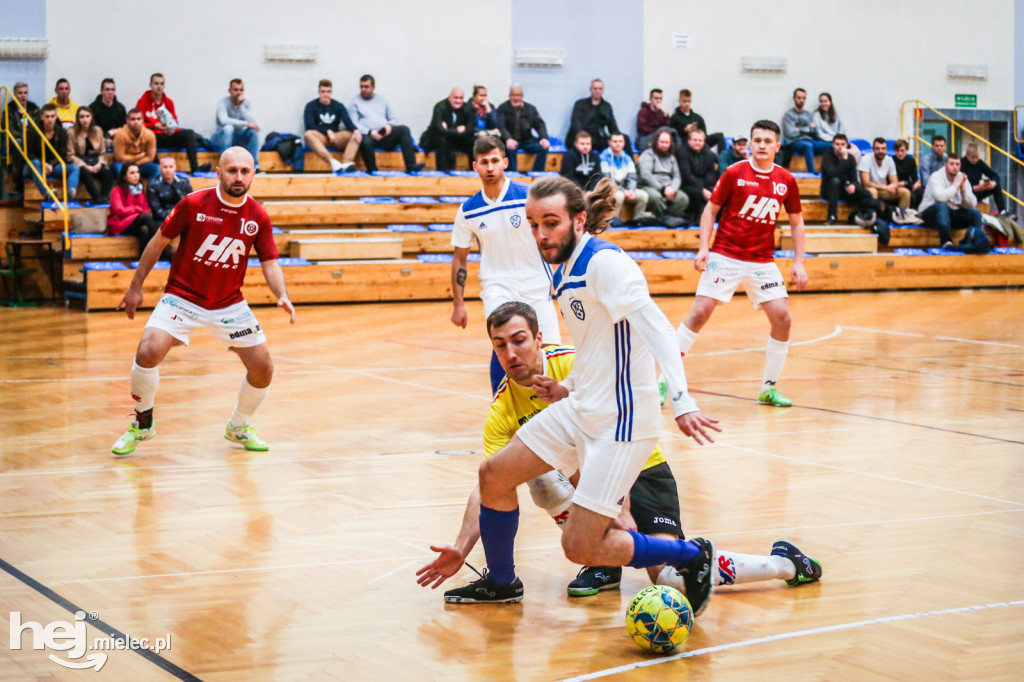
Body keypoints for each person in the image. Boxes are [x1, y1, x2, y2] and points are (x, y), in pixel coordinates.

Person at [442, 176, 720, 613]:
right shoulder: (565, 268)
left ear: (579, 219)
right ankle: (501, 583)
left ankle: (693, 555)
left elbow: (661, 333)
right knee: (494, 475)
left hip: (621, 420)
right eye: (533, 224)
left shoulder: (606, 265)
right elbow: (597, 346)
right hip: (581, 404)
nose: (540, 235)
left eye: (550, 223)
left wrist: (683, 402)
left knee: (581, 547)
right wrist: (567, 386)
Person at [417, 301, 822, 598]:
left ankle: (784, 563)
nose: (510, 353)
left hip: (640, 469)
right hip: (593, 484)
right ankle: (600, 562)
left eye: (519, 340)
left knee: (671, 579)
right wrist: (462, 545)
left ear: (539, 338)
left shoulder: (576, 366)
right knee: (531, 475)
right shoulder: (502, 409)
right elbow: (488, 487)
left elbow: (617, 429)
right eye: (499, 345)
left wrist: (621, 505)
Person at [111, 147, 296, 456]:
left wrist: (283, 295)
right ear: (219, 172)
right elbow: (158, 242)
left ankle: (239, 425)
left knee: (263, 368)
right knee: (147, 352)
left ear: (254, 174)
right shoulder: (193, 203)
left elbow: (270, 263)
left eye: (245, 171)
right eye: (232, 170)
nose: (239, 176)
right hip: (182, 298)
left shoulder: (258, 215)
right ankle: (143, 424)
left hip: (229, 305)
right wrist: (135, 286)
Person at [676, 120, 807, 408]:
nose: (761, 145)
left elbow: (797, 223)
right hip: (726, 254)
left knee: (783, 319)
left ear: (777, 146)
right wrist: (703, 248)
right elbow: (710, 211)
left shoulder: (786, 180)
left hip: (762, 260)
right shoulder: (734, 172)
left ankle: (768, 387)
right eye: (756, 140)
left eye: (767, 140)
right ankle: (667, 383)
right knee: (699, 314)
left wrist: (799, 262)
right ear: (750, 143)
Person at [449, 136, 561, 393]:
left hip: (536, 285)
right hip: (497, 286)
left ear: (505, 162)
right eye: (484, 162)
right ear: (475, 166)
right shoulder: (468, 210)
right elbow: (460, 259)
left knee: (551, 351)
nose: (490, 167)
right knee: (503, 342)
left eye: (495, 161)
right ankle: (501, 406)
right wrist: (458, 304)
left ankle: (553, 411)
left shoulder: (528, 196)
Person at [136, 73, 210, 175]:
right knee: (150, 137)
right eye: (156, 83)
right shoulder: (143, 101)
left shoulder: (168, 102)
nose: (159, 86)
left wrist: (171, 129)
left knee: (190, 134)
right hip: (153, 136)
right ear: (150, 85)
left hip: (167, 135)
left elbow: (174, 121)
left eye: (161, 84)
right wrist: (154, 126)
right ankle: (160, 171)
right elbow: (138, 124)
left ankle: (195, 169)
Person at [347, 74, 424, 173]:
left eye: (366, 87)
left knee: (404, 129)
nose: (363, 89)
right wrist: (370, 132)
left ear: (373, 87)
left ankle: (411, 166)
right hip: (368, 135)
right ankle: (372, 170)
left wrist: (388, 127)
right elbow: (353, 123)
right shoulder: (355, 102)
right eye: (361, 86)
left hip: (384, 134)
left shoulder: (382, 100)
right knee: (365, 141)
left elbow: (393, 119)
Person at [820, 134, 885, 237]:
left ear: (847, 145)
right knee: (835, 181)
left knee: (866, 194)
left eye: (842, 144)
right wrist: (844, 160)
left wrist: (853, 185)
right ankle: (832, 217)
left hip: (844, 190)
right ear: (833, 145)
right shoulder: (827, 157)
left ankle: (864, 216)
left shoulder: (851, 158)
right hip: (829, 190)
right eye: (837, 144)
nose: (840, 147)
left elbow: (854, 179)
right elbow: (833, 173)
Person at [919, 153, 983, 250]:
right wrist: (956, 185)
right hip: (930, 214)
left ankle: (974, 242)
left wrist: (963, 191)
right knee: (942, 206)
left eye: (957, 164)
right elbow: (941, 197)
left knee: (976, 213)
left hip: (951, 215)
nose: (954, 167)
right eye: (951, 164)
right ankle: (946, 242)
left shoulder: (962, 177)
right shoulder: (936, 177)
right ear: (945, 165)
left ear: (960, 166)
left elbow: (973, 204)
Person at [24, 103, 80, 200]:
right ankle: (47, 193)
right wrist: (43, 164)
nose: (50, 119)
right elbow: (28, 154)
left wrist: (51, 165)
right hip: (34, 167)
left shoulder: (62, 132)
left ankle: (71, 193)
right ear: (42, 117)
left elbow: (62, 154)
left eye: (53, 116)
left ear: (56, 116)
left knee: (75, 168)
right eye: (47, 116)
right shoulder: (33, 131)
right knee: (35, 163)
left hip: (53, 166)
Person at [303, 79, 359, 174]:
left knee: (355, 134)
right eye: (323, 91)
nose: (326, 94)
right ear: (319, 92)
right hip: (321, 137)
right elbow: (309, 125)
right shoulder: (311, 106)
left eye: (328, 92)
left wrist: (356, 130)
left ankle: (347, 162)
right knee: (308, 134)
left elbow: (347, 122)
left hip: (336, 137)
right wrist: (327, 132)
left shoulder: (338, 106)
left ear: (331, 92)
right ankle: (332, 162)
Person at [637, 128, 689, 224]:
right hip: (650, 186)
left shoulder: (672, 157)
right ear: (656, 142)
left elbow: (677, 176)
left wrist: (672, 189)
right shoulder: (647, 155)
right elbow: (646, 175)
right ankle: (662, 219)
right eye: (662, 142)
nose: (664, 145)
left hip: (668, 188)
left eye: (667, 143)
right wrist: (662, 189)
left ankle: (670, 219)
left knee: (683, 198)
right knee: (656, 198)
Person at [495, 84, 550, 173]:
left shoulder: (531, 109)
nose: (516, 98)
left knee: (544, 147)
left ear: (522, 96)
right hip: (509, 140)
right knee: (509, 148)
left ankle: (537, 173)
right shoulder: (503, 108)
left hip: (527, 140)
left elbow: (540, 124)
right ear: (510, 96)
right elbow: (501, 125)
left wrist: (544, 138)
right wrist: (508, 139)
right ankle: (513, 174)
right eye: (514, 95)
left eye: (518, 95)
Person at [422, 88, 476, 172]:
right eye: (455, 98)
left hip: (458, 138)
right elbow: (439, 130)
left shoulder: (468, 108)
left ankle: (474, 170)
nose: (458, 101)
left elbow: (470, 129)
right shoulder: (440, 107)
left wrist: (449, 130)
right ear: (449, 98)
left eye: (461, 98)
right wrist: (457, 130)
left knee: (473, 141)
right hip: (438, 138)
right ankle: (442, 171)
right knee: (443, 140)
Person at [108, 163, 158, 254]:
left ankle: (142, 261)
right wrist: (135, 209)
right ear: (124, 176)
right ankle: (164, 247)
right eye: (132, 173)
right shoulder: (117, 190)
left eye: (138, 172)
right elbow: (119, 211)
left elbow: (145, 209)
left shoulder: (140, 189)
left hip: (135, 221)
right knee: (146, 217)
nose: (136, 175)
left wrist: (138, 212)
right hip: (119, 223)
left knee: (145, 230)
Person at [566, 79, 627, 153]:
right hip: (580, 137)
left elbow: (613, 126)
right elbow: (576, 124)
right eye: (595, 88)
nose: (597, 91)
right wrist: (583, 139)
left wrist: (617, 139)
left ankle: (630, 163)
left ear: (603, 90)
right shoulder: (580, 104)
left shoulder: (606, 106)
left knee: (625, 139)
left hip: (598, 138)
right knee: (584, 144)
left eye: (600, 89)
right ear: (590, 89)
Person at [69, 106, 114, 203]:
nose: (85, 120)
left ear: (91, 117)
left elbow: (102, 152)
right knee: (85, 174)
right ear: (77, 118)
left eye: (87, 116)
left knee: (107, 174)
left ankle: (103, 197)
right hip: (80, 162)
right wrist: (85, 166)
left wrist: (99, 164)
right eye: (82, 117)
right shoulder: (71, 132)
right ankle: (97, 198)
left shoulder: (98, 130)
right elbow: (70, 154)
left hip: (95, 160)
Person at [600, 132, 650, 219]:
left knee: (643, 195)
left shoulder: (627, 158)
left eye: (620, 141)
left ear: (624, 143)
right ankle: (612, 221)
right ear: (609, 142)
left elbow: (633, 177)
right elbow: (607, 180)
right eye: (615, 141)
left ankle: (637, 220)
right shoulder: (603, 157)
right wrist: (624, 191)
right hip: (609, 189)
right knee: (619, 196)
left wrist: (630, 190)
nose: (618, 144)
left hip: (626, 189)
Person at [212, 79, 260, 169]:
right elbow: (224, 121)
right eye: (235, 90)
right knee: (228, 128)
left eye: (241, 90)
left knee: (253, 132)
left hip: (238, 138)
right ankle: (225, 165)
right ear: (229, 91)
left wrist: (240, 106)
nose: (238, 92)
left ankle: (254, 166)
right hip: (222, 137)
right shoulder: (223, 103)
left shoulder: (246, 103)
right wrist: (245, 123)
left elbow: (252, 122)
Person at [859, 137, 910, 220]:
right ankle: (874, 219)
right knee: (873, 191)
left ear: (886, 149)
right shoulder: (866, 159)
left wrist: (893, 186)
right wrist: (886, 187)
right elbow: (866, 183)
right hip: (868, 190)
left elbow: (894, 180)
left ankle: (902, 218)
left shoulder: (889, 160)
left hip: (882, 189)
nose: (881, 151)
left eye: (883, 148)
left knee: (905, 192)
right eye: (878, 148)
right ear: (873, 149)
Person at [782, 88, 830, 172]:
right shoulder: (788, 115)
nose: (801, 100)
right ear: (794, 98)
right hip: (794, 142)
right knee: (808, 146)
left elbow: (814, 131)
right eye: (799, 98)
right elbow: (790, 133)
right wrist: (808, 128)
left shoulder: (808, 114)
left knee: (829, 146)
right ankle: (812, 173)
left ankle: (826, 172)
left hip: (810, 140)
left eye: (803, 98)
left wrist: (799, 129)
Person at [677, 129, 720, 220]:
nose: (697, 143)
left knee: (719, 193)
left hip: (705, 184)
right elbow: (686, 175)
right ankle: (695, 220)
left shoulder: (709, 154)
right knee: (697, 194)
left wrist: (706, 188)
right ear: (689, 141)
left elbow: (712, 173)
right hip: (688, 184)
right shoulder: (682, 153)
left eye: (700, 140)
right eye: (695, 140)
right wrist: (702, 189)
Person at [961, 142, 1009, 216]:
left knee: (997, 186)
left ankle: (1002, 211)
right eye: (972, 157)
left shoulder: (979, 163)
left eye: (977, 157)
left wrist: (993, 183)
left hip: (977, 191)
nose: (975, 159)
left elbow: (995, 175)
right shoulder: (961, 163)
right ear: (967, 155)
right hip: (965, 193)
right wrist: (973, 187)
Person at [812, 92, 859, 163]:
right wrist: (835, 140)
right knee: (837, 149)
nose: (823, 103)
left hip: (839, 140)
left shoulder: (835, 115)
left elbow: (842, 129)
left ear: (830, 102)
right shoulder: (816, 115)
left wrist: (840, 140)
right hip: (827, 141)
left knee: (855, 150)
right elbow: (820, 134)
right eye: (821, 101)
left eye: (825, 101)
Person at [112, 108, 158, 179]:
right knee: (118, 168)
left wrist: (136, 164)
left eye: (138, 119)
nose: (136, 122)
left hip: (142, 164)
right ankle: (125, 189)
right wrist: (138, 157)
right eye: (133, 119)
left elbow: (150, 157)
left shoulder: (150, 135)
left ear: (142, 120)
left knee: (157, 169)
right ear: (127, 121)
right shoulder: (120, 135)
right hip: (124, 165)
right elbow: (120, 157)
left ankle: (151, 189)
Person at [146, 156, 193, 224]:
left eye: (171, 167)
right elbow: (156, 210)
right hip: (162, 219)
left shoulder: (184, 181)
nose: (168, 170)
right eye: (165, 167)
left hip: (182, 216)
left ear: (175, 168)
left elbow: (191, 202)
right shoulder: (152, 185)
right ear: (160, 168)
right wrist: (173, 217)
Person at [892, 139, 922, 208]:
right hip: (894, 186)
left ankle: (918, 213)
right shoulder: (891, 160)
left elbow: (914, 179)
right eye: (897, 151)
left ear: (906, 150)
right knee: (912, 196)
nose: (900, 153)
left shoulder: (911, 161)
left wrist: (905, 183)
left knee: (920, 191)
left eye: (902, 150)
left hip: (907, 184)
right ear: (894, 151)